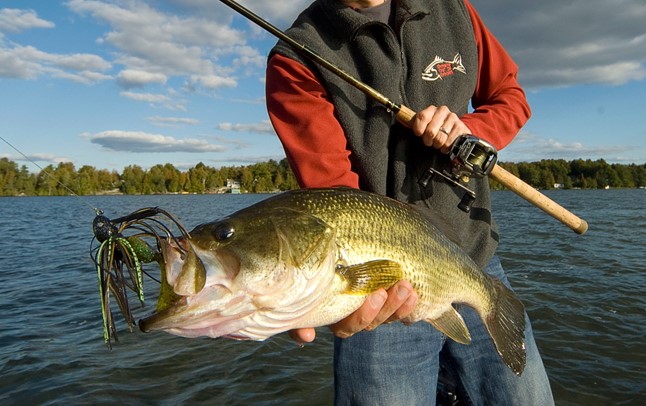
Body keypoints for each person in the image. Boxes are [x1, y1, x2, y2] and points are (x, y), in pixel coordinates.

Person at [265, 0, 554, 404]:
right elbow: (338, 200)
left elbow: (511, 96)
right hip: (382, 293)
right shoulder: (295, 57)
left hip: (477, 259)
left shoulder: (455, 9)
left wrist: (470, 129)